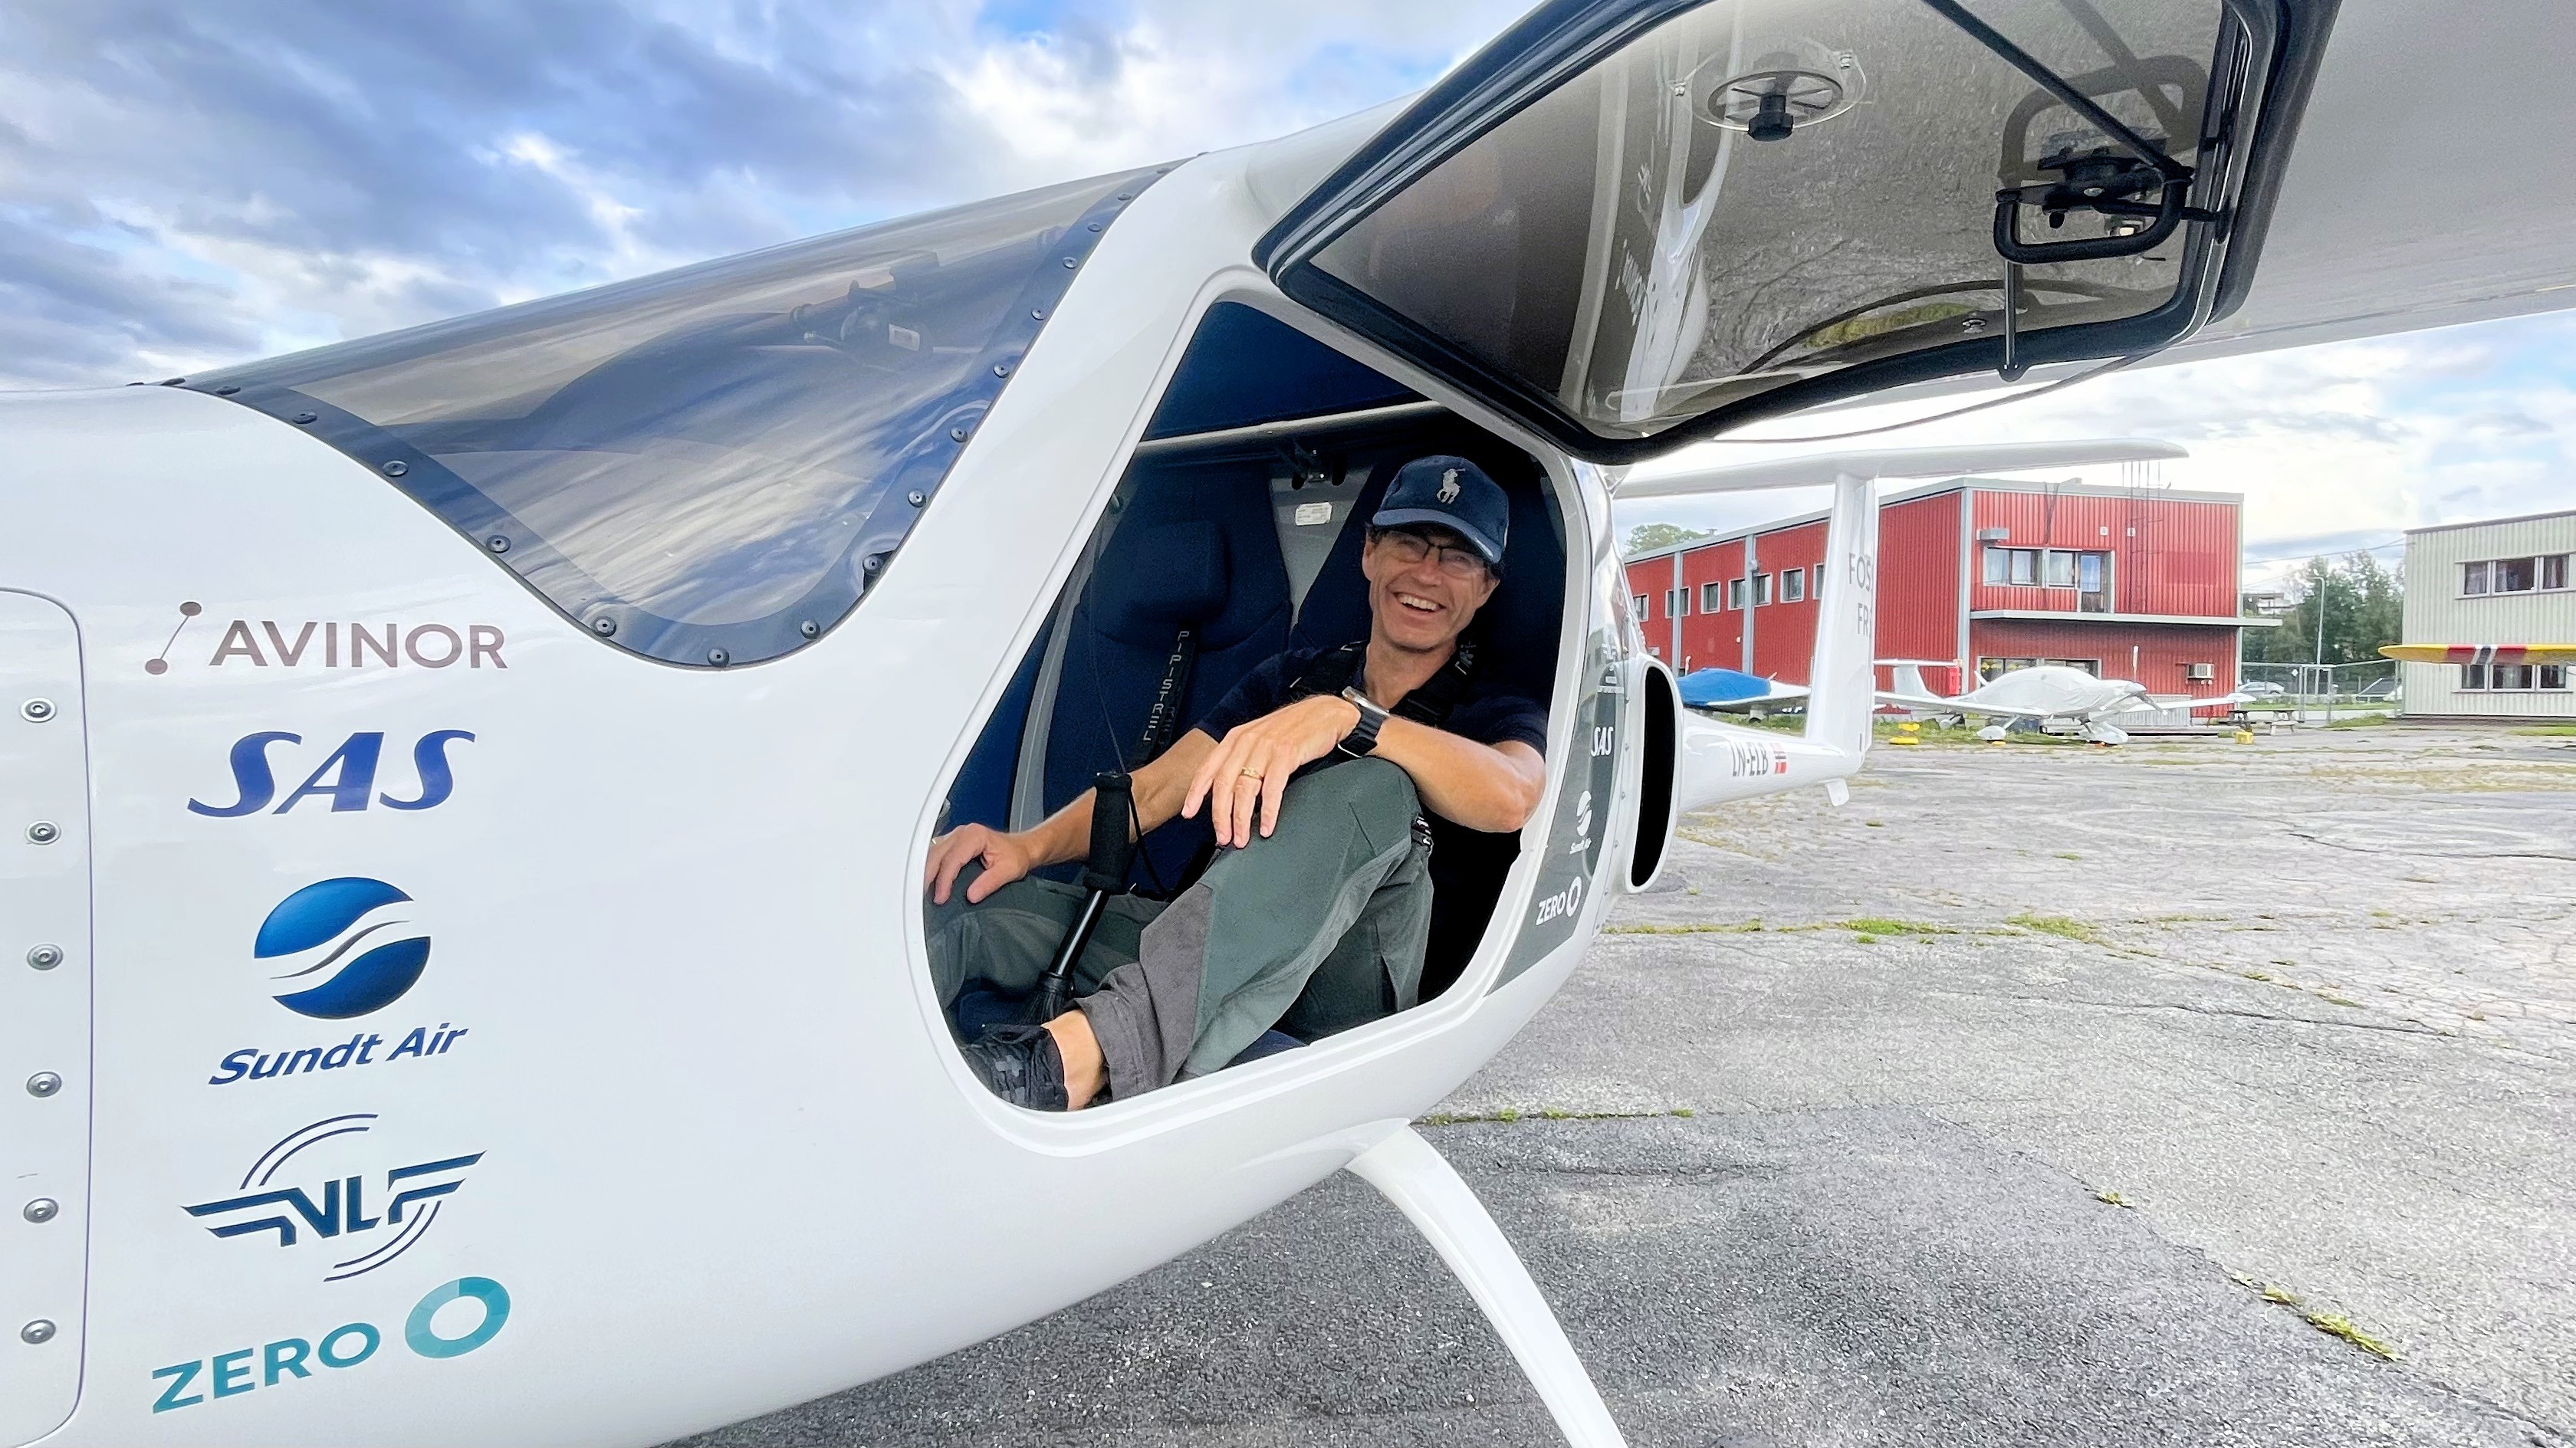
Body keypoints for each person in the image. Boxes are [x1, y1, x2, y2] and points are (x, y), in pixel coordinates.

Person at [923, 455, 1547, 1110]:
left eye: (1457, 558)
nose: (1426, 573)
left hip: (1341, 990)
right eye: (1410, 543)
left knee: (1375, 788)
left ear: (1485, 588)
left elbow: (1512, 795)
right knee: (966, 895)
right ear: (1369, 553)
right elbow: (1156, 789)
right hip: (1208, 948)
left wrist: (1352, 721)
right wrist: (1025, 847)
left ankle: (1079, 1060)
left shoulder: (1495, 708)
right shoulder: (1294, 679)